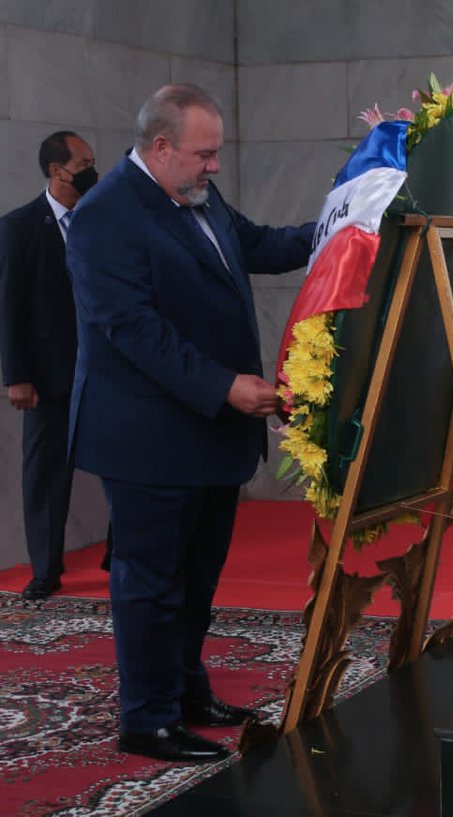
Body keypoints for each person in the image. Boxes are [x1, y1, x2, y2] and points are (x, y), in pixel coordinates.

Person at [66, 84, 315, 763]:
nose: (214, 166)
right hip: (148, 438)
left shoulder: (199, 196)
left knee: (197, 576)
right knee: (151, 582)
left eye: (218, 153)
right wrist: (224, 385)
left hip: (208, 431)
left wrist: (342, 230)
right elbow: (132, 329)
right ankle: (145, 719)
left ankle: (185, 690)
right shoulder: (103, 216)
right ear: (161, 146)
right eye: (204, 154)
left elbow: (257, 243)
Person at [0, 131, 98, 600]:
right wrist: (16, 375)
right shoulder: (19, 227)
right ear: (58, 170)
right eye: (84, 163)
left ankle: (123, 554)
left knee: (132, 462)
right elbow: (9, 306)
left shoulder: (102, 220)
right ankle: (46, 567)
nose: (91, 171)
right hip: (49, 375)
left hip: (105, 371)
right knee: (45, 474)